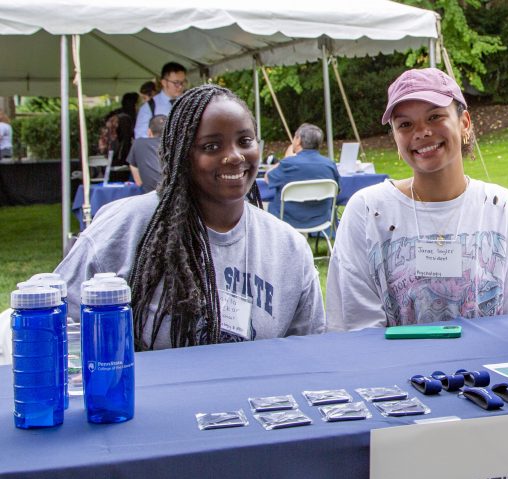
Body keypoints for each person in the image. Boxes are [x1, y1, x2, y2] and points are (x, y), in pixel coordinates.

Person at [55, 85, 325, 351]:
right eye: (212, 145)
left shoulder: (287, 246)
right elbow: (56, 323)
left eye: (245, 141)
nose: (234, 156)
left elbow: (308, 350)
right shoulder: (124, 228)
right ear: (182, 155)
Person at [326, 67, 508, 331]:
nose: (421, 132)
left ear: (464, 123)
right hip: (392, 370)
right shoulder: (367, 211)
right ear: (395, 137)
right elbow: (356, 327)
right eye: (405, 124)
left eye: (435, 116)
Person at [265, 123, 340, 227]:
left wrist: (286, 158)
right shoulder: (329, 165)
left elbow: (268, 177)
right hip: (321, 219)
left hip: (286, 219)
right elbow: (337, 191)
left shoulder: (288, 164)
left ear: (298, 140)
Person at [134, 62, 187, 139]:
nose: (180, 86)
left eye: (183, 82)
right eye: (176, 83)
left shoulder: (189, 102)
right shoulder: (149, 108)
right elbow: (141, 140)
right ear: (164, 82)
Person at [126, 114, 166, 193]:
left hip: (152, 195)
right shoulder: (177, 144)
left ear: (149, 132)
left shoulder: (138, 144)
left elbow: (138, 181)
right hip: (177, 195)